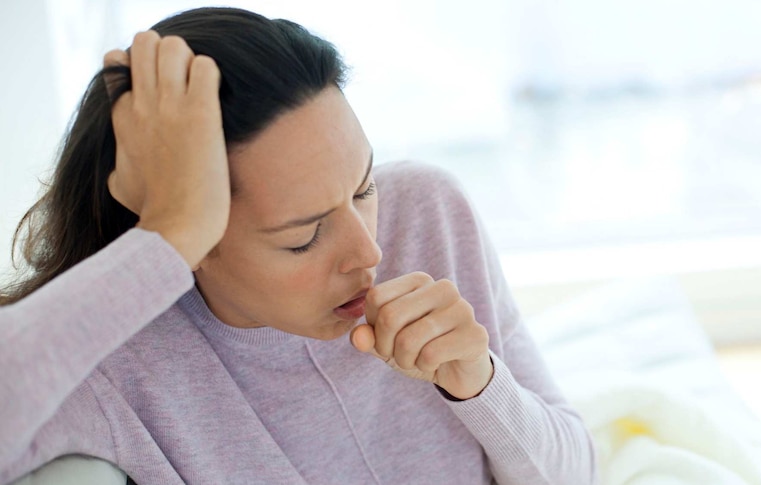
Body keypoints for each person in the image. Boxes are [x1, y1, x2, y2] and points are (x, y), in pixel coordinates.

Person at [0, 7, 595, 484]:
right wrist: (169, 233)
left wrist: (481, 383)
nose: (370, 252)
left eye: (364, 187)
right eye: (303, 237)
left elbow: (577, 475)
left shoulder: (427, 211)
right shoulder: (117, 364)